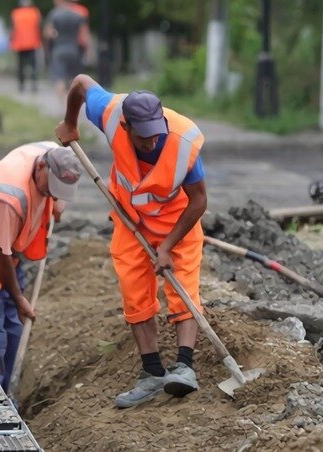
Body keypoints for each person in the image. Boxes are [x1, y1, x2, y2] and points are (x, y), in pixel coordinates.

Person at [55, 74, 207, 408]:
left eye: (157, 136)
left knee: (184, 289)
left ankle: (184, 367)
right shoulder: (110, 112)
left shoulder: (184, 141)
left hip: (177, 223)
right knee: (135, 293)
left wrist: (166, 246)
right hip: (131, 221)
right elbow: (81, 83)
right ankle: (152, 373)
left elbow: (199, 202)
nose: (152, 144)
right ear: (126, 127)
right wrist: (70, 123)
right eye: (144, 139)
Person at [0, 143, 82, 392]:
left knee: (14, 329)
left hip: (9, 253)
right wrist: (18, 297)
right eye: (51, 188)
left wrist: (57, 202)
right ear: (41, 166)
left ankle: (7, 393)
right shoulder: (9, 196)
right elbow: (0, 253)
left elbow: (60, 158)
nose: (52, 194)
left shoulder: (52, 154)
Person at [45, 0, 90, 108]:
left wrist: (55, 35)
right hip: (74, 50)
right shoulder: (78, 15)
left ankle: (63, 106)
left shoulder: (54, 14)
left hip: (59, 50)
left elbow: (48, 33)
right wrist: (87, 52)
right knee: (72, 79)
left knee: (59, 78)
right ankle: (72, 106)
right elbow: (84, 36)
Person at [10, 0, 43, 93]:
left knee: (21, 66)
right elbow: (39, 27)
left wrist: (11, 43)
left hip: (19, 44)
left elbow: (12, 29)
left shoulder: (15, 13)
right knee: (33, 65)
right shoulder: (35, 12)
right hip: (33, 43)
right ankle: (34, 84)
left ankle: (21, 85)